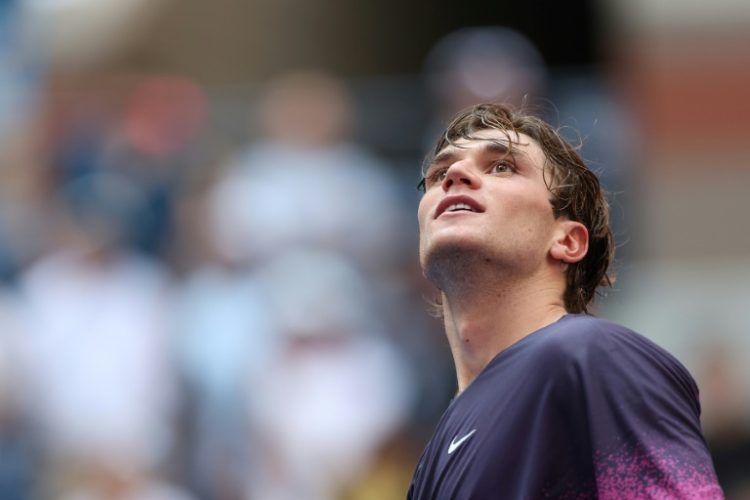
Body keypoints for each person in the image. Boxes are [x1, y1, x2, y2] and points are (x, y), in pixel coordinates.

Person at [407, 103, 723, 499]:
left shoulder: (590, 356)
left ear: (567, 240)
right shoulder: (440, 445)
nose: (454, 174)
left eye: (502, 167)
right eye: (438, 175)